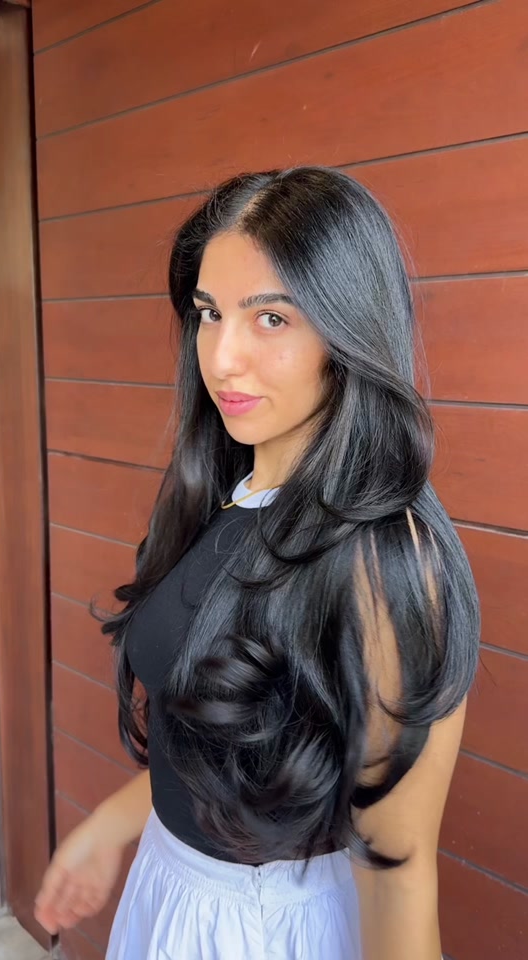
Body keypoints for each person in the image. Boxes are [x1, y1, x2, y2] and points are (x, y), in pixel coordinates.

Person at [35, 167, 480, 960]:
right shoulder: (225, 491)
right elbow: (232, 737)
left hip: (264, 928)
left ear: (348, 331)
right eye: (209, 314)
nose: (223, 358)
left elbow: (397, 874)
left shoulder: (385, 558)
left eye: (271, 318)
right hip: (170, 889)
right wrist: (115, 822)